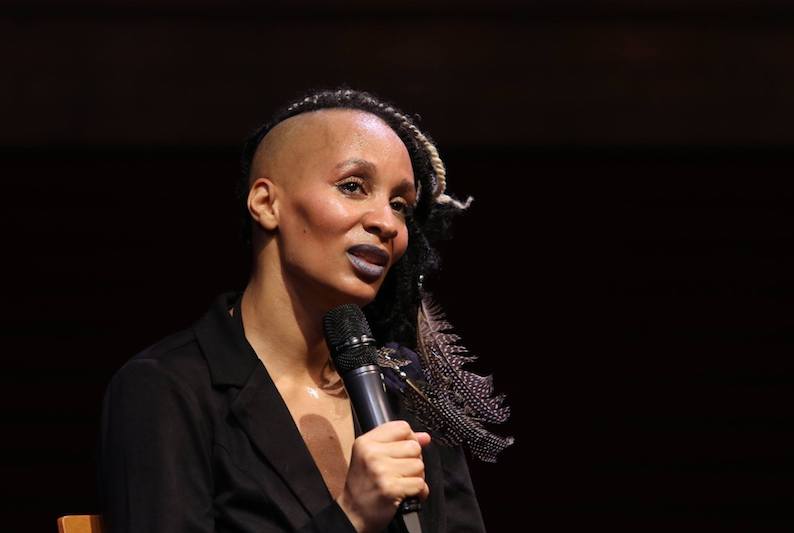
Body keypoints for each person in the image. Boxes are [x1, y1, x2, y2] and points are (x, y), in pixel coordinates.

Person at [98, 88, 508, 533]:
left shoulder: (403, 385)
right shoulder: (170, 388)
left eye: (399, 205)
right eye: (353, 187)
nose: (388, 224)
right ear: (266, 203)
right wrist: (352, 514)